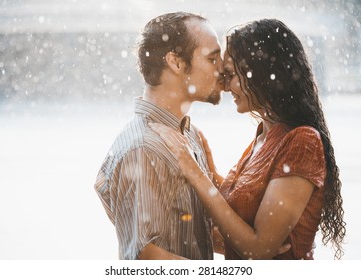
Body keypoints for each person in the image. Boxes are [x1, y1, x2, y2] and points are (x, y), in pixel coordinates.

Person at [150, 18, 346, 260]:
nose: (224, 86)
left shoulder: (302, 141)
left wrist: (195, 172)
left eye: (231, 74)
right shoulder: (264, 135)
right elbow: (235, 233)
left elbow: (257, 251)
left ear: (263, 73)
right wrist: (207, 171)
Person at [94, 12, 225, 260]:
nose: (223, 69)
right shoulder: (143, 148)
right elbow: (145, 258)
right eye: (212, 58)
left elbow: (197, 233)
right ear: (175, 62)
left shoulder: (188, 134)